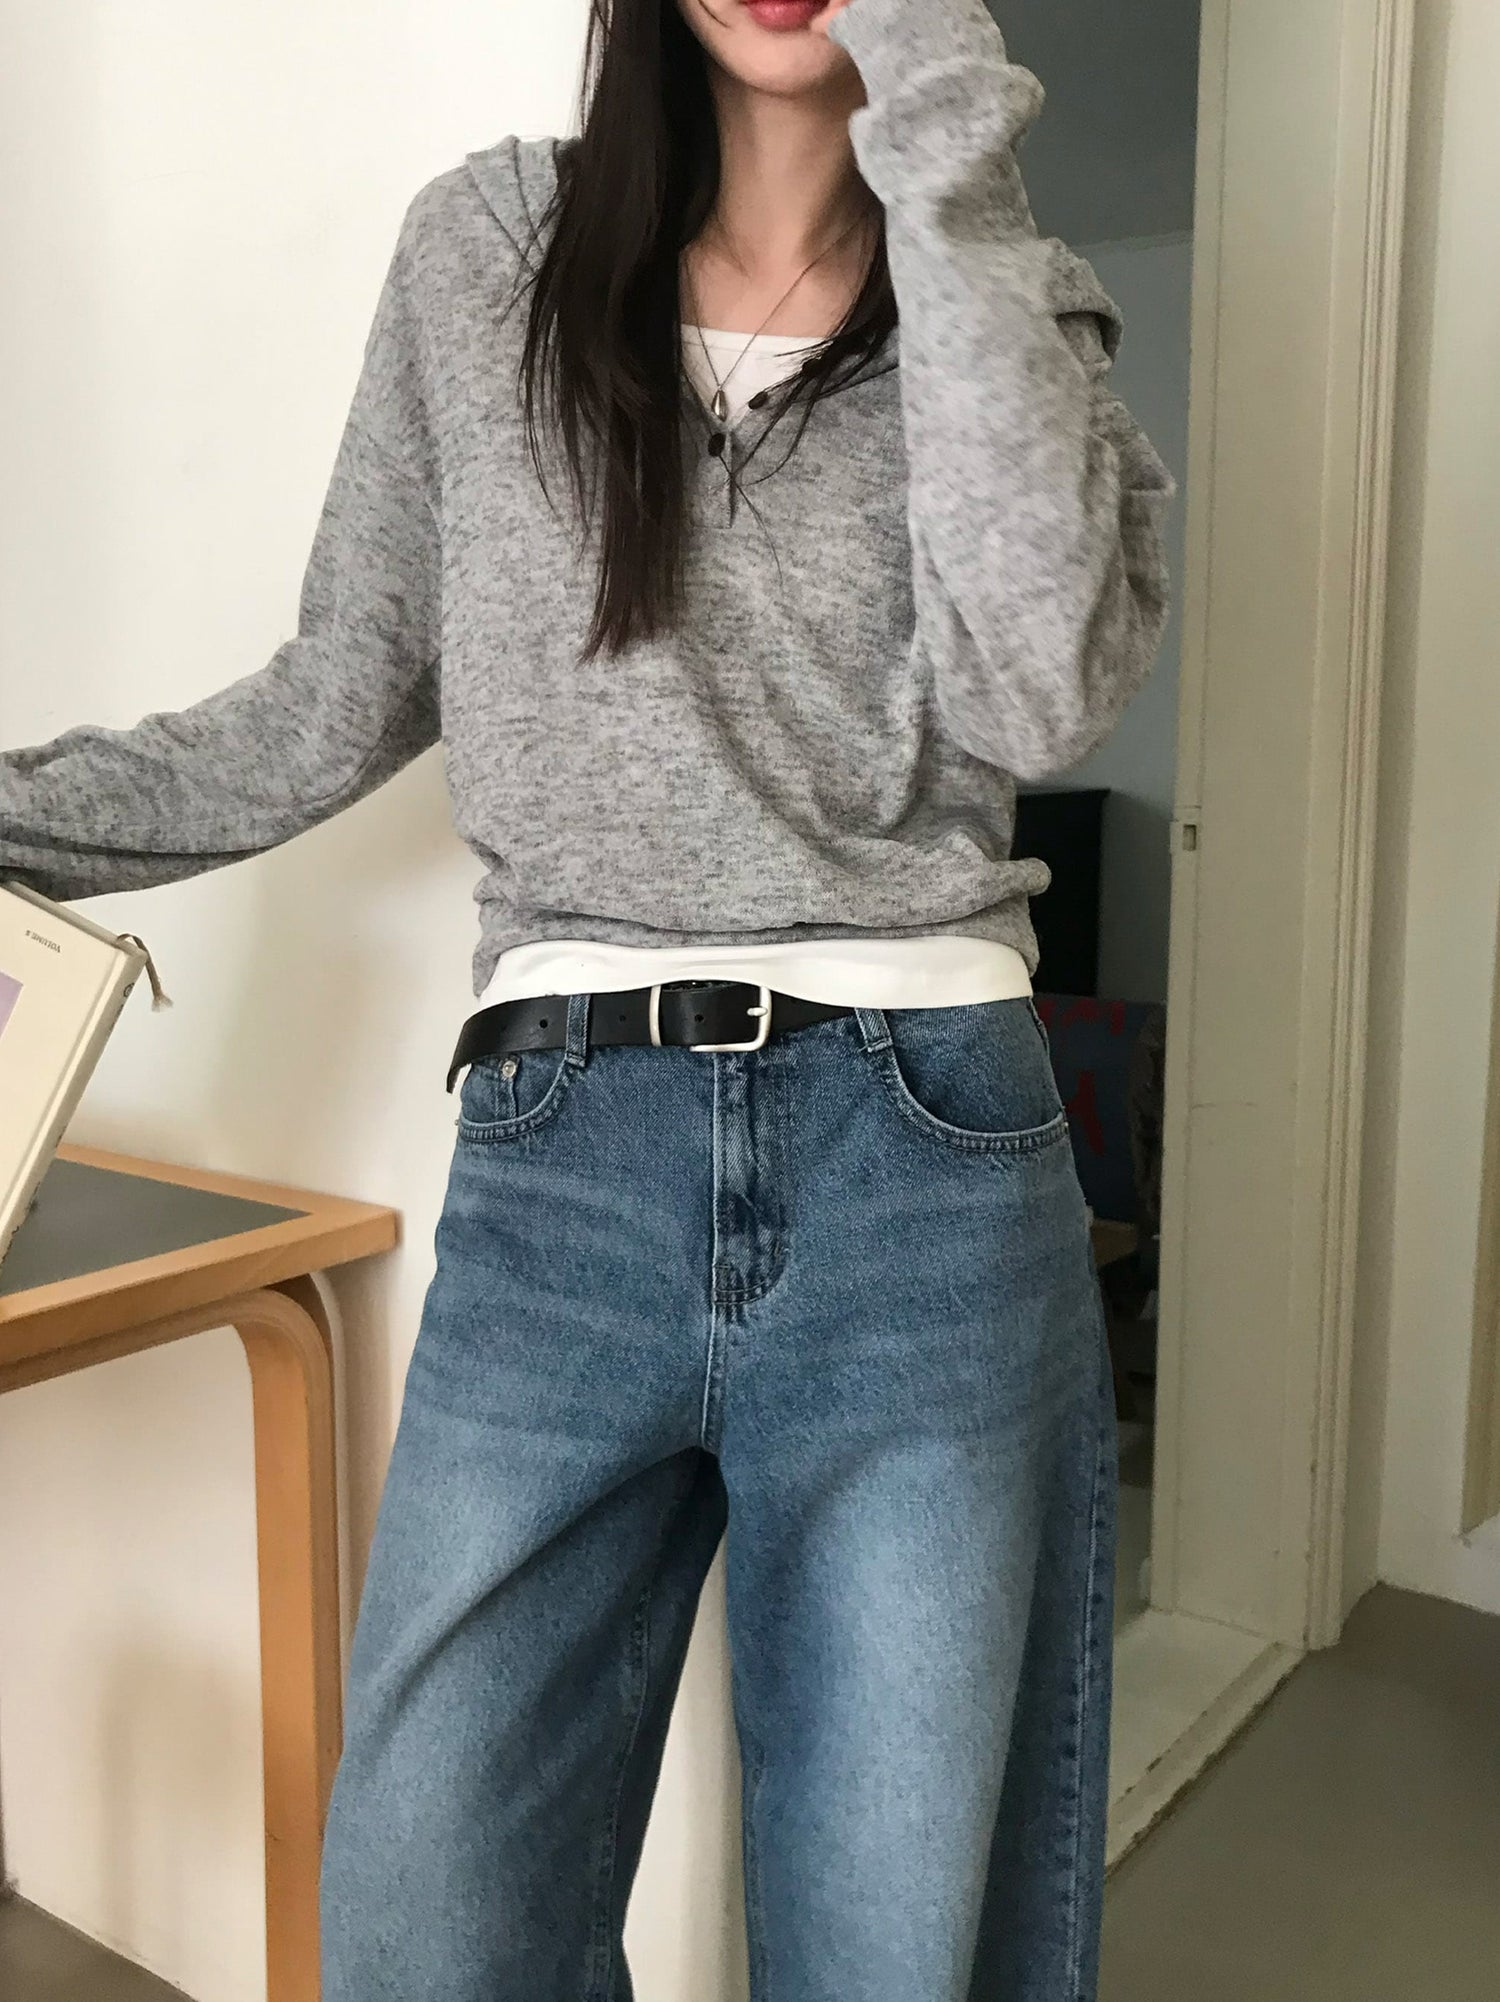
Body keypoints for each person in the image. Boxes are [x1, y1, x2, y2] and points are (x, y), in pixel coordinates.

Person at [0, 0, 1177, 1994]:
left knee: (898, 1954)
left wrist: (945, 142)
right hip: (566, 1156)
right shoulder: (486, 252)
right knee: (427, 1927)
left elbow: (1045, 693)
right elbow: (325, 704)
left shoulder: (1007, 290)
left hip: (927, 1165)